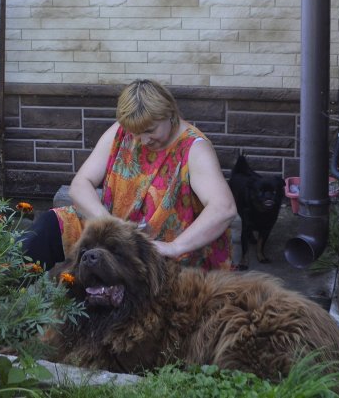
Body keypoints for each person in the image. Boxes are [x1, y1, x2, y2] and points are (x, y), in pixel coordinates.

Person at [23, 79, 237, 271]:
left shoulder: (194, 149)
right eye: (136, 133)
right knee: (48, 228)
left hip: (160, 249)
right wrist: (107, 222)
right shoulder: (122, 130)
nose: (143, 140)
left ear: (170, 113)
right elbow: (81, 184)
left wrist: (174, 247)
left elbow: (223, 208)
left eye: (150, 130)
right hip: (117, 234)